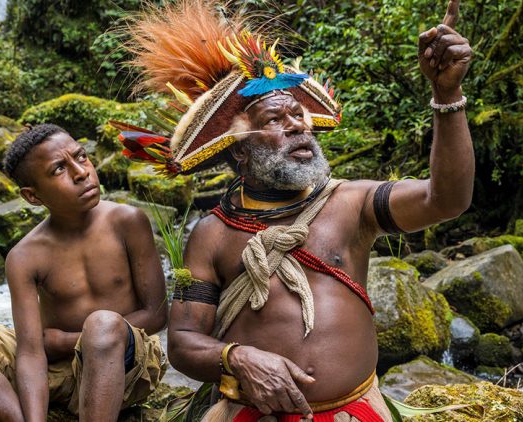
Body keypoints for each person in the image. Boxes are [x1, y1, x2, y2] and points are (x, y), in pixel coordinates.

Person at [115, 0, 472, 420]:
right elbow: (183, 343)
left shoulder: (352, 203)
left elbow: (445, 200)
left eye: (298, 114)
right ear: (241, 150)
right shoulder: (212, 233)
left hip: (353, 411)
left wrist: (446, 94)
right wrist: (238, 357)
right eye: (275, 119)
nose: (299, 124)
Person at [0, 124, 168, 422]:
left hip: (121, 366)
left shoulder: (128, 221)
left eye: (82, 157)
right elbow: (30, 352)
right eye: (59, 169)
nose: (81, 172)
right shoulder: (24, 256)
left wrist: (67, 340)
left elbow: (156, 314)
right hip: (53, 371)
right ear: (32, 196)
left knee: (102, 324)